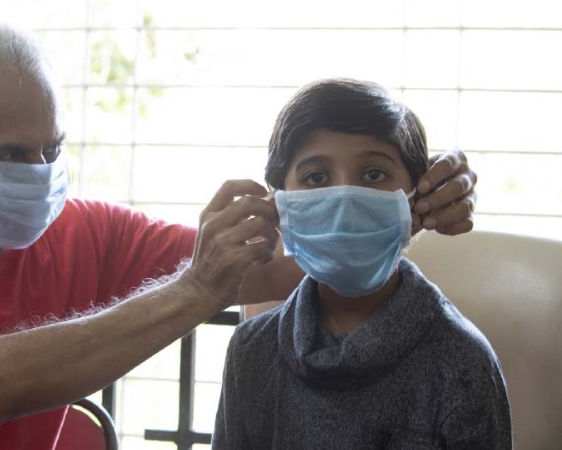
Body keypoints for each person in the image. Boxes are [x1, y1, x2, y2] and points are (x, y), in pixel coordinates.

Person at [0, 23, 477, 449]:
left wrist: (398, 205)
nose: (42, 177)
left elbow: (274, 270)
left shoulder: (82, 230)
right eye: (14, 157)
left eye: (55, 150)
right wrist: (193, 289)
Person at [211, 79, 511, 450]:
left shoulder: (464, 362)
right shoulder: (250, 353)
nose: (344, 200)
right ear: (280, 202)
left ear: (416, 195)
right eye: (316, 178)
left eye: (373, 174)